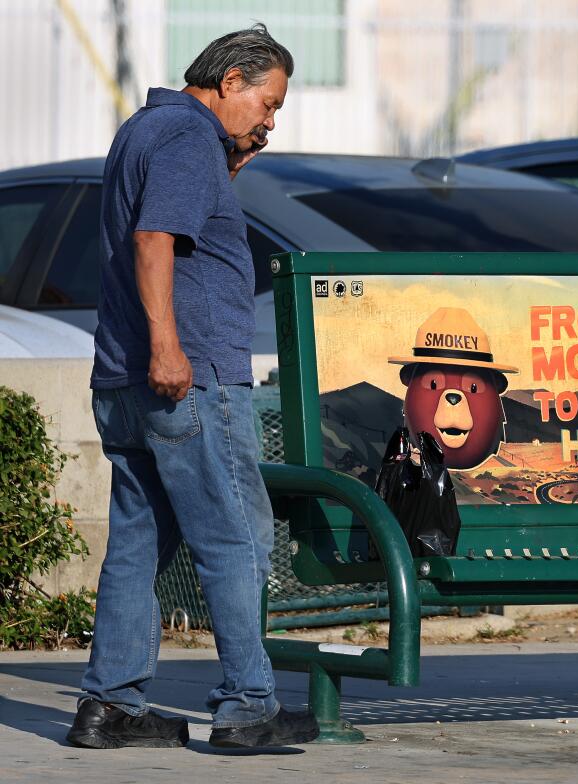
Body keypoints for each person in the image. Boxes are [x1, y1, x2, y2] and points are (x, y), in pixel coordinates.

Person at [68, 25, 319, 750]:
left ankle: (108, 707)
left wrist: (231, 167)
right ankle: (248, 707)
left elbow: (182, 231)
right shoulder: (187, 136)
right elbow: (155, 241)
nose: (270, 120)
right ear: (230, 80)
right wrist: (170, 349)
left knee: (138, 546)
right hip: (187, 377)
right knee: (235, 536)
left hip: (124, 377)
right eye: (267, 103)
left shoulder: (148, 129)